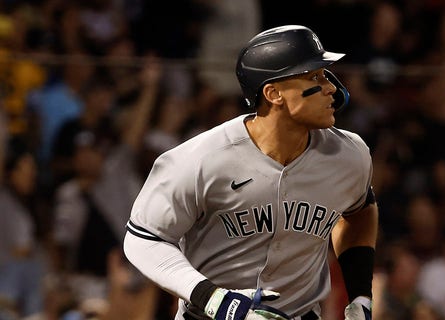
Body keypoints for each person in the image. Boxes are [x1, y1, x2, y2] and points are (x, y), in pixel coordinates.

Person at [123, 25, 379, 320]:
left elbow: (360, 211)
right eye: (315, 77)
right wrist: (213, 298)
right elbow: (144, 238)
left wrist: (360, 295)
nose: (332, 87)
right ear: (273, 93)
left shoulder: (349, 155)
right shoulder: (200, 159)